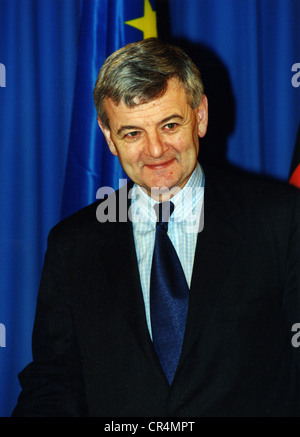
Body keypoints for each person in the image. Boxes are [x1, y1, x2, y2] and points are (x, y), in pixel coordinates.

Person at [12, 38, 300, 417]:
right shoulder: (73, 244)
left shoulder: (281, 220)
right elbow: (55, 382)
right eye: (132, 133)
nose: (155, 150)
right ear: (108, 136)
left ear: (200, 116)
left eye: (169, 124)